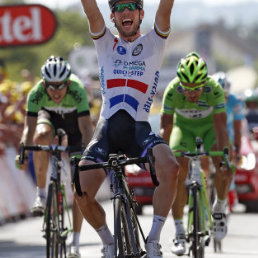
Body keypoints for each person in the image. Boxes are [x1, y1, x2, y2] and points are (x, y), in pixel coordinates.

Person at [76, 1, 179, 257]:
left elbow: (165, 8)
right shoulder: (105, 43)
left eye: (131, 7)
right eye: (119, 9)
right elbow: (91, 10)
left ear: (140, 13)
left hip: (139, 131)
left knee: (172, 167)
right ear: (113, 16)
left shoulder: (155, 42)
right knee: (81, 188)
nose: (125, 12)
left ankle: (154, 239)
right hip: (107, 130)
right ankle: (108, 242)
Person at [15, 56, 94, 258]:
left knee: (79, 189)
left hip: (74, 125)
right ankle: (41, 194)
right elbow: (28, 129)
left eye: (60, 86)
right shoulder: (36, 93)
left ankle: (75, 242)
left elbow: (86, 127)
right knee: (40, 138)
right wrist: (23, 151)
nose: (56, 91)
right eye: (51, 87)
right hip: (48, 118)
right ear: (44, 84)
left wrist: (88, 154)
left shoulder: (77, 90)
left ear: (68, 83)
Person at [160, 52, 233, 256]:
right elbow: (166, 126)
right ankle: (179, 231)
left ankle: (219, 207)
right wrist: (162, 156)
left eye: (196, 88)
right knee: (177, 170)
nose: (191, 93)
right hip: (184, 130)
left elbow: (220, 127)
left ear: (204, 83)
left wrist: (223, 154)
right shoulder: (173, 90)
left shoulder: (214, 89)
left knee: (221, 164)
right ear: (180, 83)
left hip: (209, 128)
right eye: (187, 88)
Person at [212, 72, 245, 211]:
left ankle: (229, 194)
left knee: (227, 165)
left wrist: (237, 150)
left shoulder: (235, 102)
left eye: (225, 95)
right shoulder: (206, 98)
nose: (223, 98)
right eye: (219, 95)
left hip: (228, 136)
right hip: (210, 135)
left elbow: (238, 131)